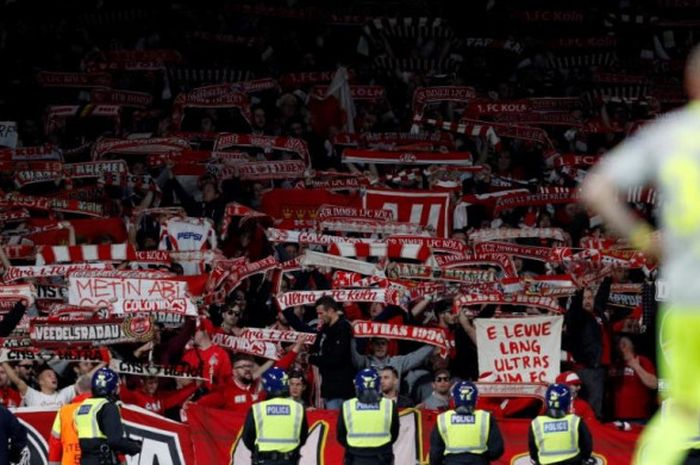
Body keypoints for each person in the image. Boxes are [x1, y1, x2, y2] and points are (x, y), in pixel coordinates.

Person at [581, 45, 700, 465]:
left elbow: (595, 188)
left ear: (690, 82)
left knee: (681, 414)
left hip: (687, 305)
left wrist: (645, 238)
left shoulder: (671, 133)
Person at [74, 368, 142, 465]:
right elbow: (115, 441)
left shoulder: (83, 406)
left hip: (85, 460)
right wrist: (134, 447)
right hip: (103, 460)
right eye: (117, 386)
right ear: (112, 388)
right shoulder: (108, 407)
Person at [241, 367, 308, 465]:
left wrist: (258, 451)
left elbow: (247, 437)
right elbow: (303, 436)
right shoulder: (298, 408)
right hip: (289, 460)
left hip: (264, 460)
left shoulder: (257, 408)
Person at [429, 381, 504, 465]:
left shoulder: (443, 418)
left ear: (454, 399)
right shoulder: (485, 417)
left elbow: (435, 453)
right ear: (476, 398)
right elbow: (497, 450)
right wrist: (483, 458)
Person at [337, 368, 399, 465]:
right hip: (382, 457)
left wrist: (356, 447)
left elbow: (340, 436)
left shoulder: (347, 405)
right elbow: (394, 433)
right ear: (378, 385)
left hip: (355, 458)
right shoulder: (389, 405)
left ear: (357, 386)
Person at [528, 384, 593, 465]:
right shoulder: (575, 420)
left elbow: (533, 452)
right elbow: (587, 446)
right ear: (567, 402)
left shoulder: (536, 423)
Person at [308, 296, 355, 409]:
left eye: (321, 313)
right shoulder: (324, 328)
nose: (319, 317)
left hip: (342, 389)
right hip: (329, 388)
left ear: (330, 311)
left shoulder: (343, 327)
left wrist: (311, 359)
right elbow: (315, 349)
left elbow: (336, 359)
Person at [48, 375, 92, 465]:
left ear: (77, 390)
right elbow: (115, 439)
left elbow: (55, 443)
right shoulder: (103, 407)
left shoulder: (64, 411)